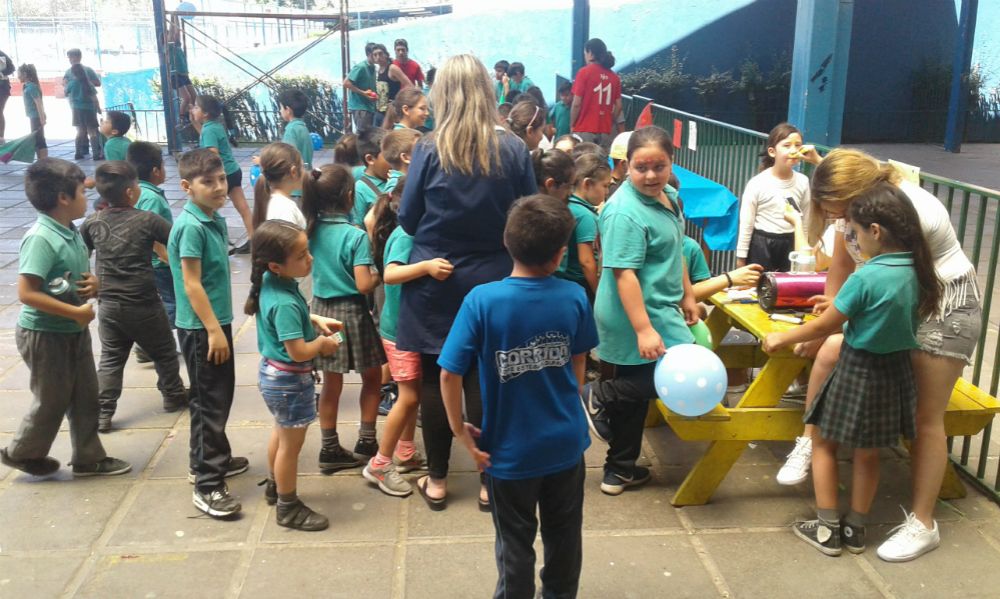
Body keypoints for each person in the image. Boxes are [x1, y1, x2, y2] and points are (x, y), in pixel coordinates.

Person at [778, 147, 981, 563]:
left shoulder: (910, 213)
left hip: (943, 308)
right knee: (832, 350)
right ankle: (810, 438)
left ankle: (923, 524)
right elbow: (842, 264)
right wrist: (835, 310)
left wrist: (839, 319)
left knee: (927, 420)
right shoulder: (863, 209)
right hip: (905, 305)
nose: (836, 220)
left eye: (837, 211)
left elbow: (903, 290)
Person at [763, 182, 941, 557]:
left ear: (874, 231)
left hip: (858, 370)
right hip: (895, 373)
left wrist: (781, 337)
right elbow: (884, 317)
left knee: (823, 443)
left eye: (856, 233)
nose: (855, 241)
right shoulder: (918, 271)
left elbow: (825, 326)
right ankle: (856, 530)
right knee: (869, 452)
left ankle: (828, 530)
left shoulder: (867, 276)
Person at [397, 54, 537, 509]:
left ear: (441, 94)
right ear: (485, 90)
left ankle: (437, 480)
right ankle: (486, 480)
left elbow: (408, 219)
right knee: (487, 378)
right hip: (496, 278)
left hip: (436, 280)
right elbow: (529, 214)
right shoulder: (513, 148)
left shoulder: (428, 148)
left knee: (441, 377)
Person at [440, 194, 597, 597]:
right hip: (565, 443)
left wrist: (461, 431)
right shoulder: (574, 296)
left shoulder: (482, 301)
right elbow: (578, 362)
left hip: (507, 453)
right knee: (565, 539)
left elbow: (449, 373)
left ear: (507, 242)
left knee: (514, 545)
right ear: (561, 254)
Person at [580, 126, 699, 496]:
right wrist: (645, 329)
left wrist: (688, 294)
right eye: (640, 167)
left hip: (659, 304)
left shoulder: (670, 196)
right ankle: (598, 395)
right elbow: (623, 274)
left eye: (658, 166)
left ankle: (619, 469)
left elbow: (676, 247)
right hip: (633, 311)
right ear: (624, 166)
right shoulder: (623, 212)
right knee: (684, 370)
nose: (650, 175)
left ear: (671, 163)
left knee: (636, 393)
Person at [0, 158, 131, 478]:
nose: (88, 198)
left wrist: (93, 286)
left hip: (72, 329)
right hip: (45, 335)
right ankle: (22, 452)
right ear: (63, 198)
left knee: (87, 394)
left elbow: (69, 277)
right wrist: (74, 312)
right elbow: (27, 293)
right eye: (81, 193)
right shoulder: (41, 238)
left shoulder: (70, 231)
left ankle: (88, 458)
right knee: (52, 398)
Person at [168, 148, 249, 519]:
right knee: (208, 403)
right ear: (187, 186)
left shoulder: (210, 218)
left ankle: (209, 458)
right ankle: (208, 484)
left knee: (219, 396)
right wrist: (214, 331)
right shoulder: (191, 226)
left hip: (216, 322)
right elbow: (191, 284)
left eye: (221, 180)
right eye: (208, 182)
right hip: (203, 328)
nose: (219, 188)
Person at [245, 219, 341, 531]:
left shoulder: (273, 284)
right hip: (289, 381)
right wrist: (322, 344)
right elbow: (299, 351)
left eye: (307, 251)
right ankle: (288, 506)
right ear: (275, 265)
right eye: (300, 256)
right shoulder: (284, 300)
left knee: (281, 432)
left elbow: (287, 322)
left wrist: (312, 319)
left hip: (273, 375)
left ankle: (275, 485)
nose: (309, 258)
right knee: (291, 445)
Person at [80, 162, 188, 433]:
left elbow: (80, 253)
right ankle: (173, 394)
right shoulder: (147, 220)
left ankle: (103, 412)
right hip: (144, 303)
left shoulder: (92, 222)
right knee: (164, 351)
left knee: (111, 358)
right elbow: (176, 240)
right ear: (130, 193)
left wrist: (90, 281)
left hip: (109, 305)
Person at [364, 176, 448, 497]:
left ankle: (406, 452)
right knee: (410, 396)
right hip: (399, 330)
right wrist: (426, 267)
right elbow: (390, 274)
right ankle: (380, 465)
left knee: (411, 394)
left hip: (407, 328)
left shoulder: (415, 232)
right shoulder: (405, 235)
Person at [302, 164, 386, 472]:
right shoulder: (355, 236)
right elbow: (364, 284)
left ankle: (329, 447)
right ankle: (366, 440)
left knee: (332, 383)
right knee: (373, 376)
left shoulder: (310, 230)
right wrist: (379, 274)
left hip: (323, 314)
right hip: (352, 315)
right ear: (350, 197)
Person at [736, 122, 812, 272]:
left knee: (789, 288)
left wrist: (804, 249)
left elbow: (805, 219)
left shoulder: (803, 181)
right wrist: (741, 258)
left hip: (791, 242)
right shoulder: (757, 183)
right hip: (761, 245)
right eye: (787, 145)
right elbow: (746, 223)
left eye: (798, 145)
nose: (793, 150)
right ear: (772, 152)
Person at [128, 141, 178, 360]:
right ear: (156, 171)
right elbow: (148, 230)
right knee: (174, 305)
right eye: (163, 167)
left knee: (168, 303)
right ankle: (148, 343)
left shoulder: (139, 192)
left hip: (152, 262)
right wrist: (166, 257)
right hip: (160, 264)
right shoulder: (152, 198)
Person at [190, 95, 254, 254]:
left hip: (221, 174)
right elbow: (204, 135)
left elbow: (213, 153)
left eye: (196, 107)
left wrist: (209, 177)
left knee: (208, 209)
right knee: (243, 208)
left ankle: (218, 241)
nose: (193, 109)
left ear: (205, 114)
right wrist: (194, 120)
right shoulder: (214, 126)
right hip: (233, 171)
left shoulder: (209, 129)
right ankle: (255, 240)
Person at [560, 152, 609, 297]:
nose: (606, 192)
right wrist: (599, 295)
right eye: (605, 186)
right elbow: (586, 262)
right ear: (587, 183)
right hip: (583, 284)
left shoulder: (568, 205)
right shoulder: (585, 216)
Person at [571, 38, 622, 149]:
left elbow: (576, 104)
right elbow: (619, 106)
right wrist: (610, 119)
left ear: (590, 53)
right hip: (606, 131)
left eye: (585, 53)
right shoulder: (614, 77)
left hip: (584, 129)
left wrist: (572, 124)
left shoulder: (583, 72)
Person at [251, 142, 306, 230]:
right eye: (303, 167)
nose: (305, 172)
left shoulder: (273, 201)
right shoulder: (285, 210)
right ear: (294, 172)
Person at [63, 49, 102, 160]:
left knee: (80, 131)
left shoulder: (77, 78)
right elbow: (94, 97)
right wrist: (98, 108)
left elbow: (65, 91)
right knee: (92, 131)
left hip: (76, 108)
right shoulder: (88, 83)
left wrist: (68, 85)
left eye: (72, 57)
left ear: (79, 57)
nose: (70, 60)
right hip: (90, 108)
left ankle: (78, 152)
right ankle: (95, 153)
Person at [351, 127, 390, 226]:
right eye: (388, 156)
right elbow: (358, 227)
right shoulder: (360, 189)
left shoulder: (395, 178)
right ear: (370, 159)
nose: (394, 159)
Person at [373, 44, 412, 128]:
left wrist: (398, 101)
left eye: (380, 54)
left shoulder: (392, 68)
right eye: (375, 55)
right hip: (379, 111)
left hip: (390, 113)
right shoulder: (378, 70)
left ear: (386, 55)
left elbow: (409, 85)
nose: (378, 57)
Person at [343, 42, 378, 132]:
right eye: (375, 54)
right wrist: (363, 93)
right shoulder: (360, 67)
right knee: (363, 136)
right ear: (369, 54)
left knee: (368, 136)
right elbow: (346, 83)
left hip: (370, 106)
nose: (377, 57)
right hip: (360, 107)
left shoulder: (373, 67)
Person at [167, 20, 196, 121]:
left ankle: (190, 113)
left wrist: (176, 18)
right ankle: (182, 116)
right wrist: (172, 18)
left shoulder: (177, 46)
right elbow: (172, 33)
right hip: (176, 75)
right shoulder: (169, 47)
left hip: (184, 75)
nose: (175, 37)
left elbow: (177, 32)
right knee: (187, 98)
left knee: (194, 96)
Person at [17, 64, 47, 160]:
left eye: (19, 74)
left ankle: (43, 161)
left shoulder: (31, 87)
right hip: (33, 116)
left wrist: (42, 119)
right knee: (37, 139)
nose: (18, 76)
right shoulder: (27, 86)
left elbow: (39, 103)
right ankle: (40, 161)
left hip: (36, 117)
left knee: (39, 139)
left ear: (25, 74)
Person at [278, 89, 313, 170]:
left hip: (296, 177)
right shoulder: (302, 127)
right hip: (306, 174)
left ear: (288, 110)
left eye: (281, 108)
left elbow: (288, 158)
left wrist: (263, 162)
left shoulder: (291, 130)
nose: (280, 111)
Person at [0, 49, 14, 143]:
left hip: (2, 87)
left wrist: (1, 73)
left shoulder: (1, 55)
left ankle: (1, 137)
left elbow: (12, 68)